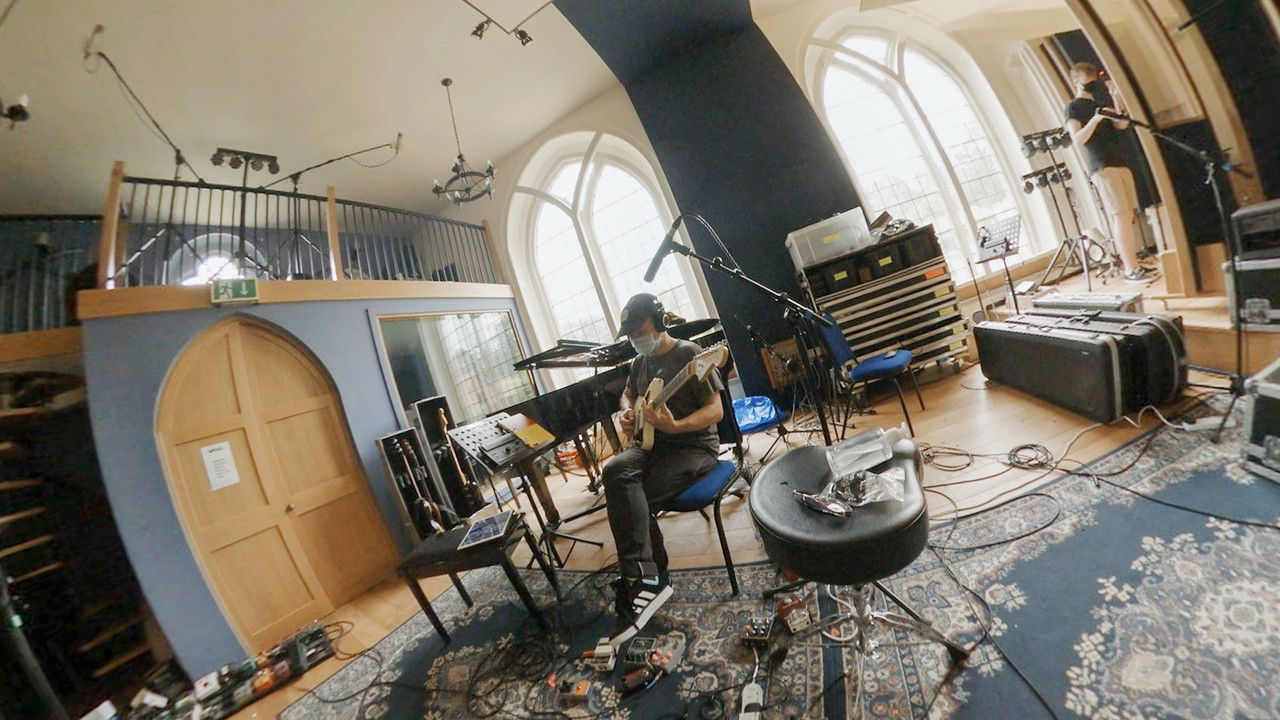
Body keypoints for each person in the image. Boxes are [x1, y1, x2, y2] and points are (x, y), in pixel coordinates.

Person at [603, 292, 723, 637]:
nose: (635, 339)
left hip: (693, 446)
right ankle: (648, 575)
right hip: (652, 444)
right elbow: (627, 394)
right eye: (630, 335)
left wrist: (676, 426)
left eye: (639, 331)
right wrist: (627, 412)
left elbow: (716, 411)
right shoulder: (639, 363)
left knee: (633, 497)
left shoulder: (689, 354)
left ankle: (647, 577)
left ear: (660, 323)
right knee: (614, 471)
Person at [1064, 61, 1153, 282]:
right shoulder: (1073, 107)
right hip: (1102, 164)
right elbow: (1078, 139)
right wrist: (1096, 119)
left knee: (1128, 215)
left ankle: (1134, 264)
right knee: (1120, 214)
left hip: (1121, 161)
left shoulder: (1101, 102)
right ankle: (1130, 269)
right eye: (1087, 82)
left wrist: (1116, 97)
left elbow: (1121, 125)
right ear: (1076, 82)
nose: (1092, 85)